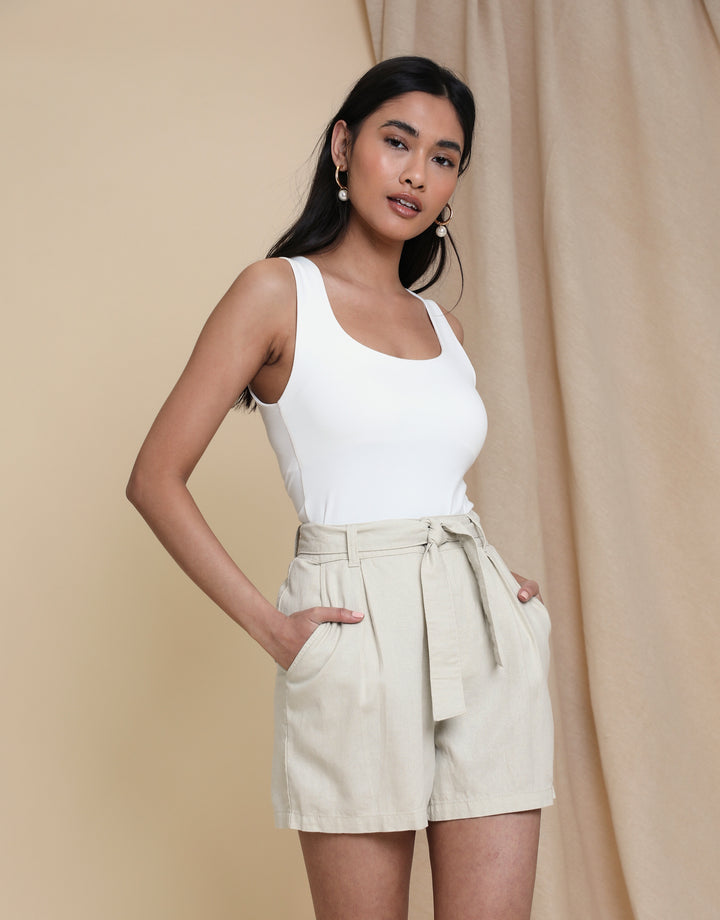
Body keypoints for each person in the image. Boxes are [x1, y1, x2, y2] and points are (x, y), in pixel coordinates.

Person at [127, 56, 554, 920]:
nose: (416, 173)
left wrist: (488, 578)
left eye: (443, 158)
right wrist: (275, 630)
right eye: (398, 142)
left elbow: (428, 476)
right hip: (356, 630)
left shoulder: (442, 324)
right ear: (343, 146)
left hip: (483, 630)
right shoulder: (275, 293)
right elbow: (154, 478)